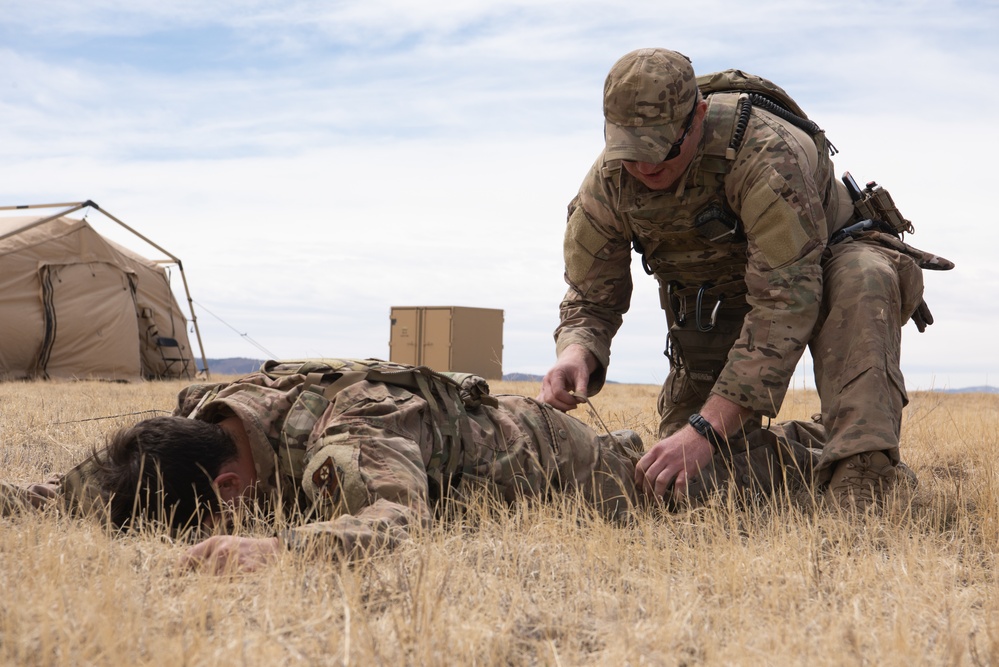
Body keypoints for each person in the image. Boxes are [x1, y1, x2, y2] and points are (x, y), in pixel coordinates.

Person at [538, 48, 952, 511]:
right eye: (632, 154)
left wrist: (707, 426)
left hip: (821, 267)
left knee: (863, 277)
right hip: (721, 300)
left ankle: (864, 467)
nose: (646, 169)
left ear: (696, 118)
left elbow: (786, 303)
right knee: (685, 486)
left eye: (660, 151)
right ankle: (817, 449)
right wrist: (576, 353)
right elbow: (590, 298)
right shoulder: (609, 182)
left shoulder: (766, 156)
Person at [2, 358, 648, 572]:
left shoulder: (348, 439)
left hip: (568, 463)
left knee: (700, 482)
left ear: (228, 487)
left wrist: (276, 548)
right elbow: (89, 485)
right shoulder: (197, 422)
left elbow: (395, 519)